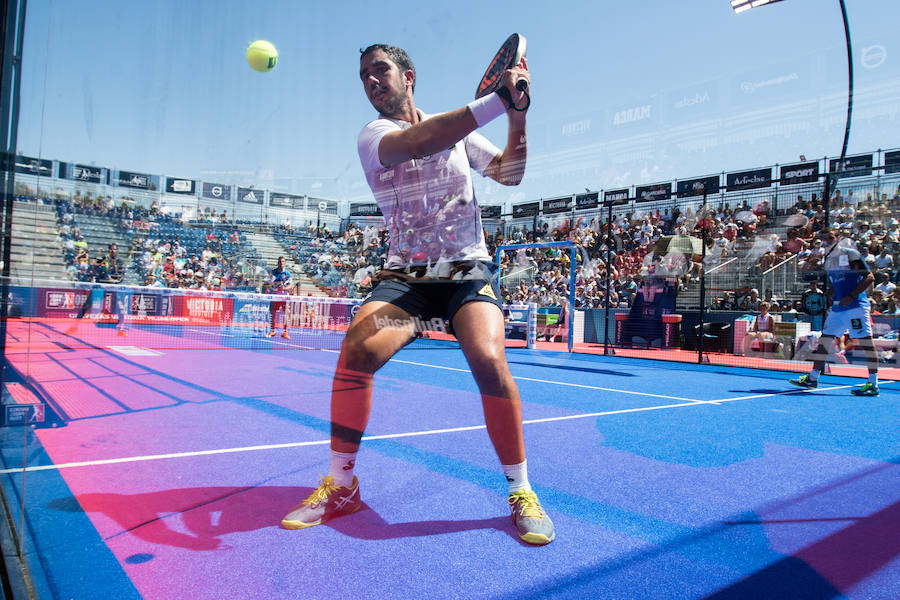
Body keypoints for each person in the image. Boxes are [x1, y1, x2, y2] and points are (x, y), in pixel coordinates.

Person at [280, 43, 555, 545]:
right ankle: (342, 486)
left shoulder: (459, 132)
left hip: (464, 274)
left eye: (379, 70)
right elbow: (421, 141)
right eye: (363, 75)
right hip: (408, 283)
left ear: (408, 76)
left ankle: (521, 490)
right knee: (357, 350)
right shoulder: (376, 136)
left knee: (489, 359)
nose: (370, 81)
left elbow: (510, 174)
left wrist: (518, 118)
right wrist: (500, 100)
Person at [790, 228, 880, 395]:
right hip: (838, 308)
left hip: (856, 306)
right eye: (824, 238)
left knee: (866, 342)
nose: (827, 240)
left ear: (837, 238)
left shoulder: (850, 253)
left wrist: (852, 295)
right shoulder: (829, 260)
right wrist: (831, 292)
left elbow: (869, 277)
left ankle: (873, 384)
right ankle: (813, 378)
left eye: (830, 237)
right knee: (825, 340)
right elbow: (839, 280)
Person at [267, 256, 292, 338]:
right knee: (273, 313)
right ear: (278, 263)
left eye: (283, 262)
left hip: (284, 297)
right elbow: (270, 283)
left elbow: (291, 286)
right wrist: (274, 287)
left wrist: (284, 288)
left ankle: (285, 332)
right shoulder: (273, 272)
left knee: (286, 314)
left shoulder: (287, 274)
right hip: (275, 297)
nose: (282, 263)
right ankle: (272, 331)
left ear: (285, 263)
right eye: (280, 262)